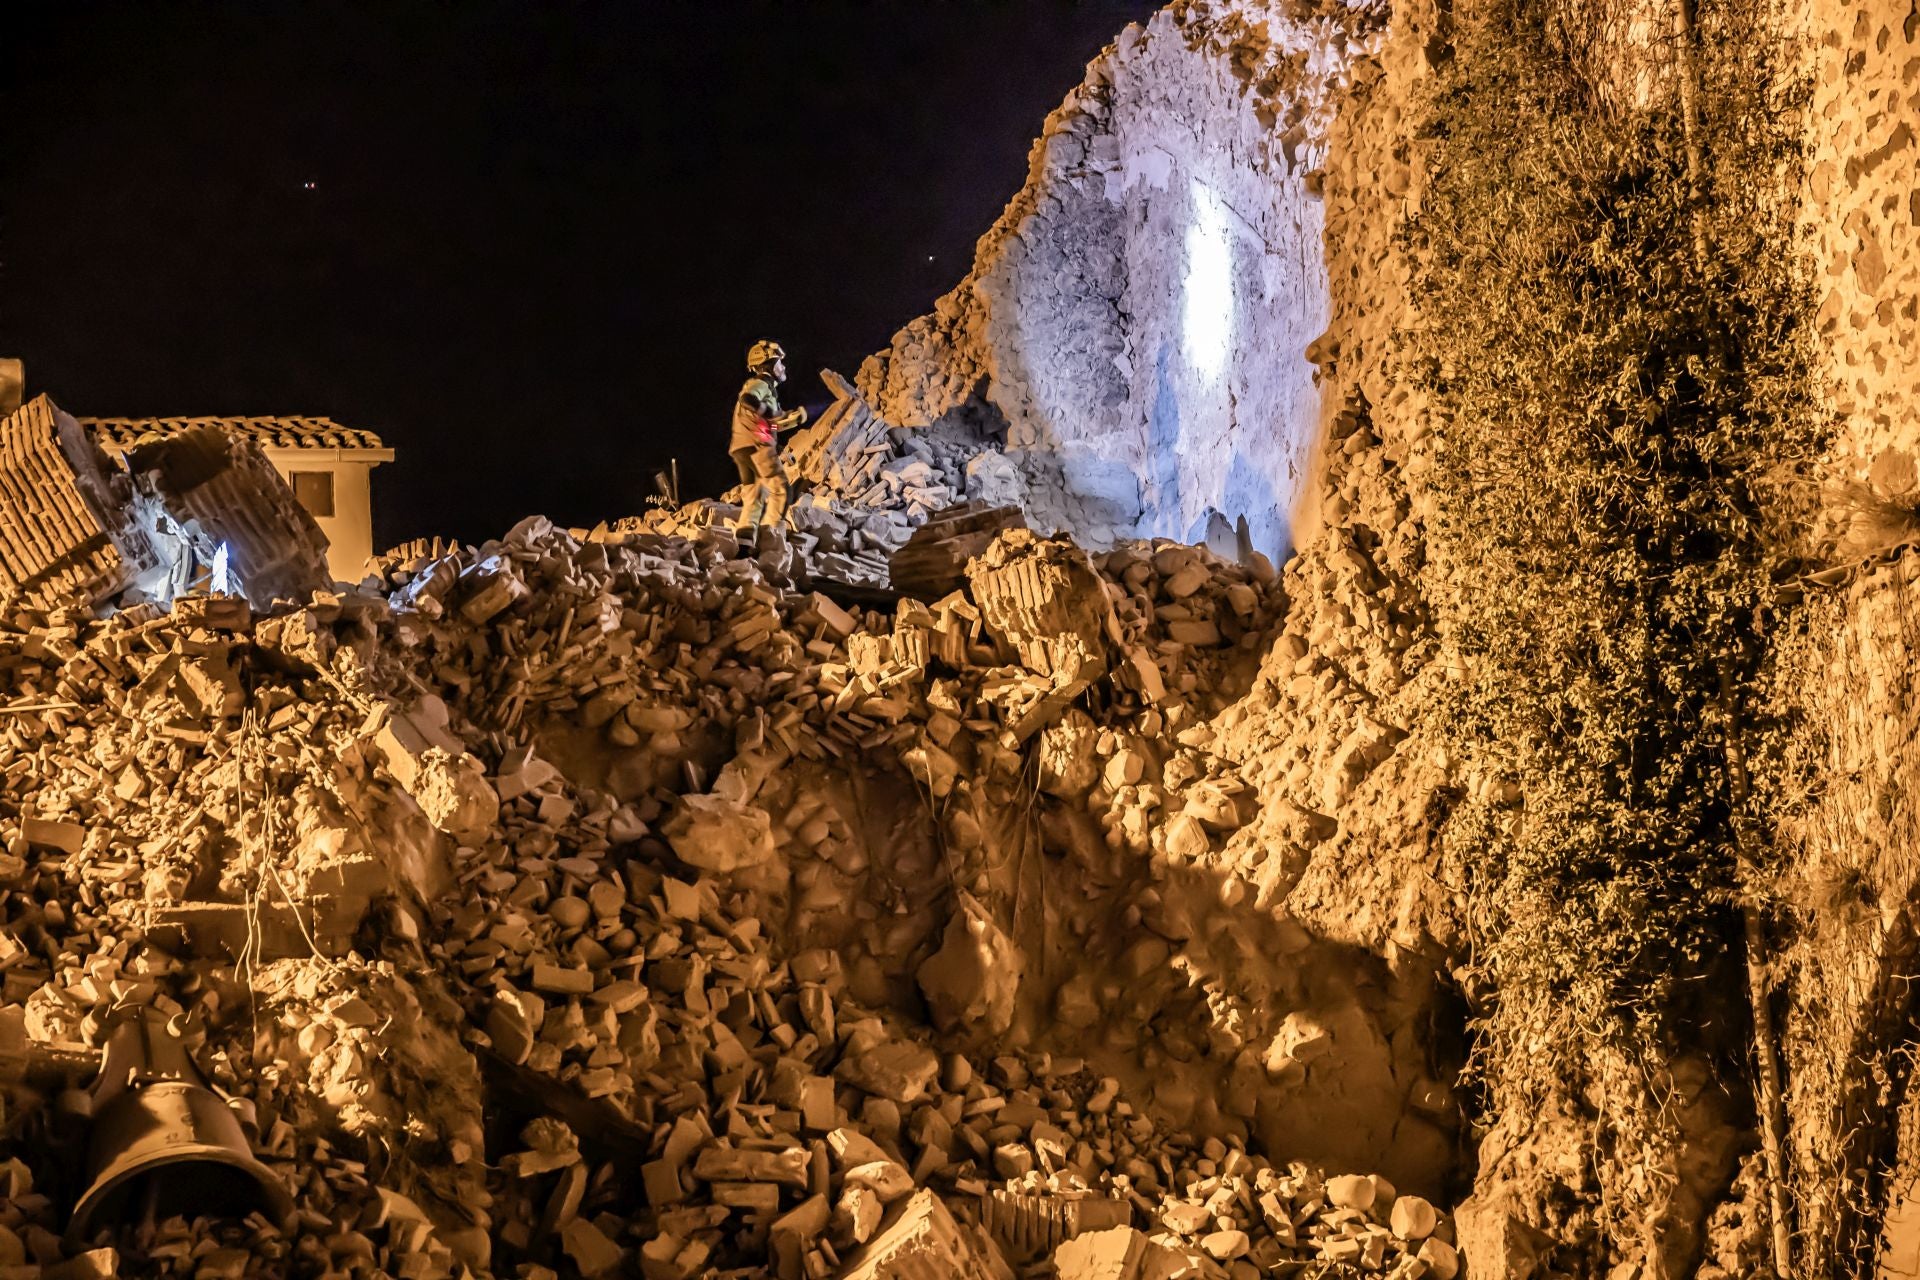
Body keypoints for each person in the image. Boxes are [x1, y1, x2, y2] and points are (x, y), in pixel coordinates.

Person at [730, 339, 807, 535]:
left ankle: (744, 550)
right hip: (756, 448)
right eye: (779, 363)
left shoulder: (764, 389)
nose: (783, 366)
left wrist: (790, 421)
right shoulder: (760, 384)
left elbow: (764, 423)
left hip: (742, 448)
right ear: (769, 366)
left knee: (753, 499)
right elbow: (747, 400)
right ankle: (771, 540)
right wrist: (768, 412)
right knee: (782, 491)